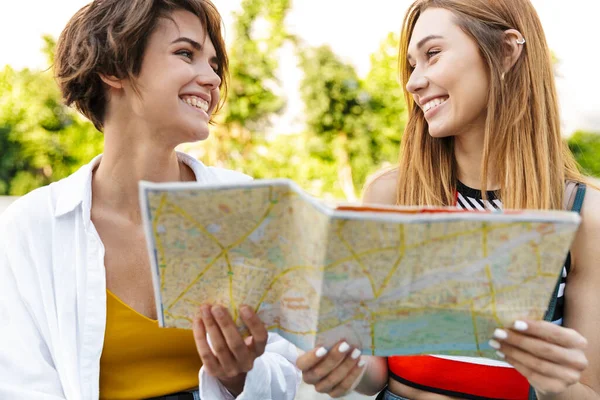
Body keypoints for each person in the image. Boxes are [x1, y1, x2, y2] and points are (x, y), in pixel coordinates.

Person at [296, 0, 600, 399]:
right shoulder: (391, 196)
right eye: (411, 65)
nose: (413, 82)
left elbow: (588, 391)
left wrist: (555, 387)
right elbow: (373, 374)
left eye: (432, 54)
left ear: (507, 51)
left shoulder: (581, 215)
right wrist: (340, 367)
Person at [0, 0, 301, 399]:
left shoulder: (242, 206)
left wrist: (238, 376)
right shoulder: (31, 226)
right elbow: (22, 385)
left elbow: (286, 369)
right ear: (114, 66)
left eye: (212, 63)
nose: (211, 78)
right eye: (185, 53)